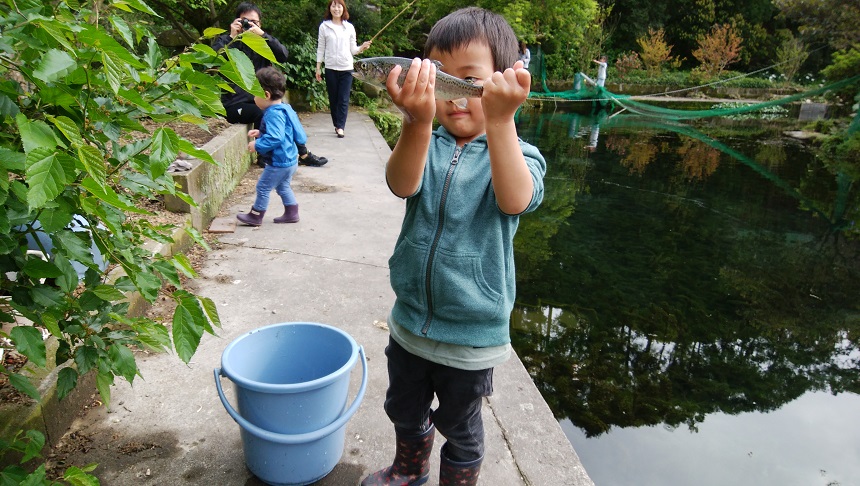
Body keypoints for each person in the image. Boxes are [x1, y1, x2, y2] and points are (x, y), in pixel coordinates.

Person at [361, 7, 546, 486]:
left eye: (469, 80)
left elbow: (515, 199)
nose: (454, 94)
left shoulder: (521, 155)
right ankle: (410, 469)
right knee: (402, 405)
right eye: (438, 76)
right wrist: (415, 122)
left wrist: (502, 122)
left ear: (504, 82)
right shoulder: (429, 141)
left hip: (472, 332)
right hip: (411, 320)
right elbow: (402, 185)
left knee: (460, 426)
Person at [213, 2, 327, 167]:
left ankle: (303, 154)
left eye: (254, 22)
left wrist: (263, 35)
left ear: (259, 24)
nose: (249, 25)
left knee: (286, 111)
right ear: (237, 21)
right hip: (235, 102)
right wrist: (232, 37)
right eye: (245, 20)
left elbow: (283, 55)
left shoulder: (262, 42)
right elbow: (212, 62)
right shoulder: (227, 41)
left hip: (260, 98)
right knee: (263, 113)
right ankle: (264, 157)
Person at [236, 67, 306, 226]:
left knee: (263, 187)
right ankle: (292, 212)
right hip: (290, 160)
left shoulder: (273, 113)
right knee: (282, 186)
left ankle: (255, 216)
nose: (253, 98)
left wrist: (258, 144)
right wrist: (261, 133)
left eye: (255, 94)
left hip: (279, 162)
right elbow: (283, 132)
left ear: (266, 95)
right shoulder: (284, 108)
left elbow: (276, 137)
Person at [315, 0, 371, 138]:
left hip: (346, 67)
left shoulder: (349, 27)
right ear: (330, 8)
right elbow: (321, 48)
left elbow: (353, 49)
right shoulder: (324, 27)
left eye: (339, 6)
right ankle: (337, 124)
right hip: (330, 67)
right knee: (333, 99)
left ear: (343, 8)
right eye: (333, 6)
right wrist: (318, 68)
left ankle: (341, 126)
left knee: (343, 98)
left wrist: (361, 48)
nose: (336, 8)